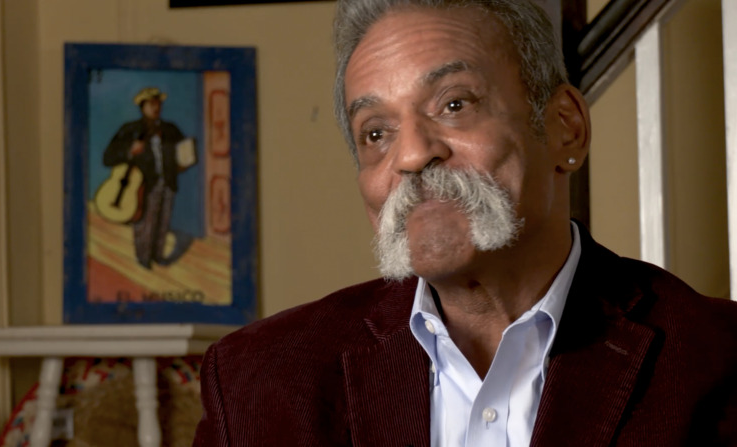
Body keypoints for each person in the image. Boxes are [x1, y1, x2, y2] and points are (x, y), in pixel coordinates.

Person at [193, 0, 737, 445]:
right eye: (376, 132)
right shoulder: (257, 383)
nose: (412, 155)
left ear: (565, 127)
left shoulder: (719, 360)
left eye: (454, 104)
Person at [103, 87, 186, 269]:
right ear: (142, 107)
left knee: (163, 222)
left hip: (168, 183)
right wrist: (129, 150)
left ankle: (158, 256)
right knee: (144, 224)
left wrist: (183, 162)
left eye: (158, 104)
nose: (156, 107)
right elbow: (107, 157)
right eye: (151, 104)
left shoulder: (170, 129)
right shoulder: (130, 129)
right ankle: (143, 260)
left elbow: (183, 151)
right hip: (144, 185)